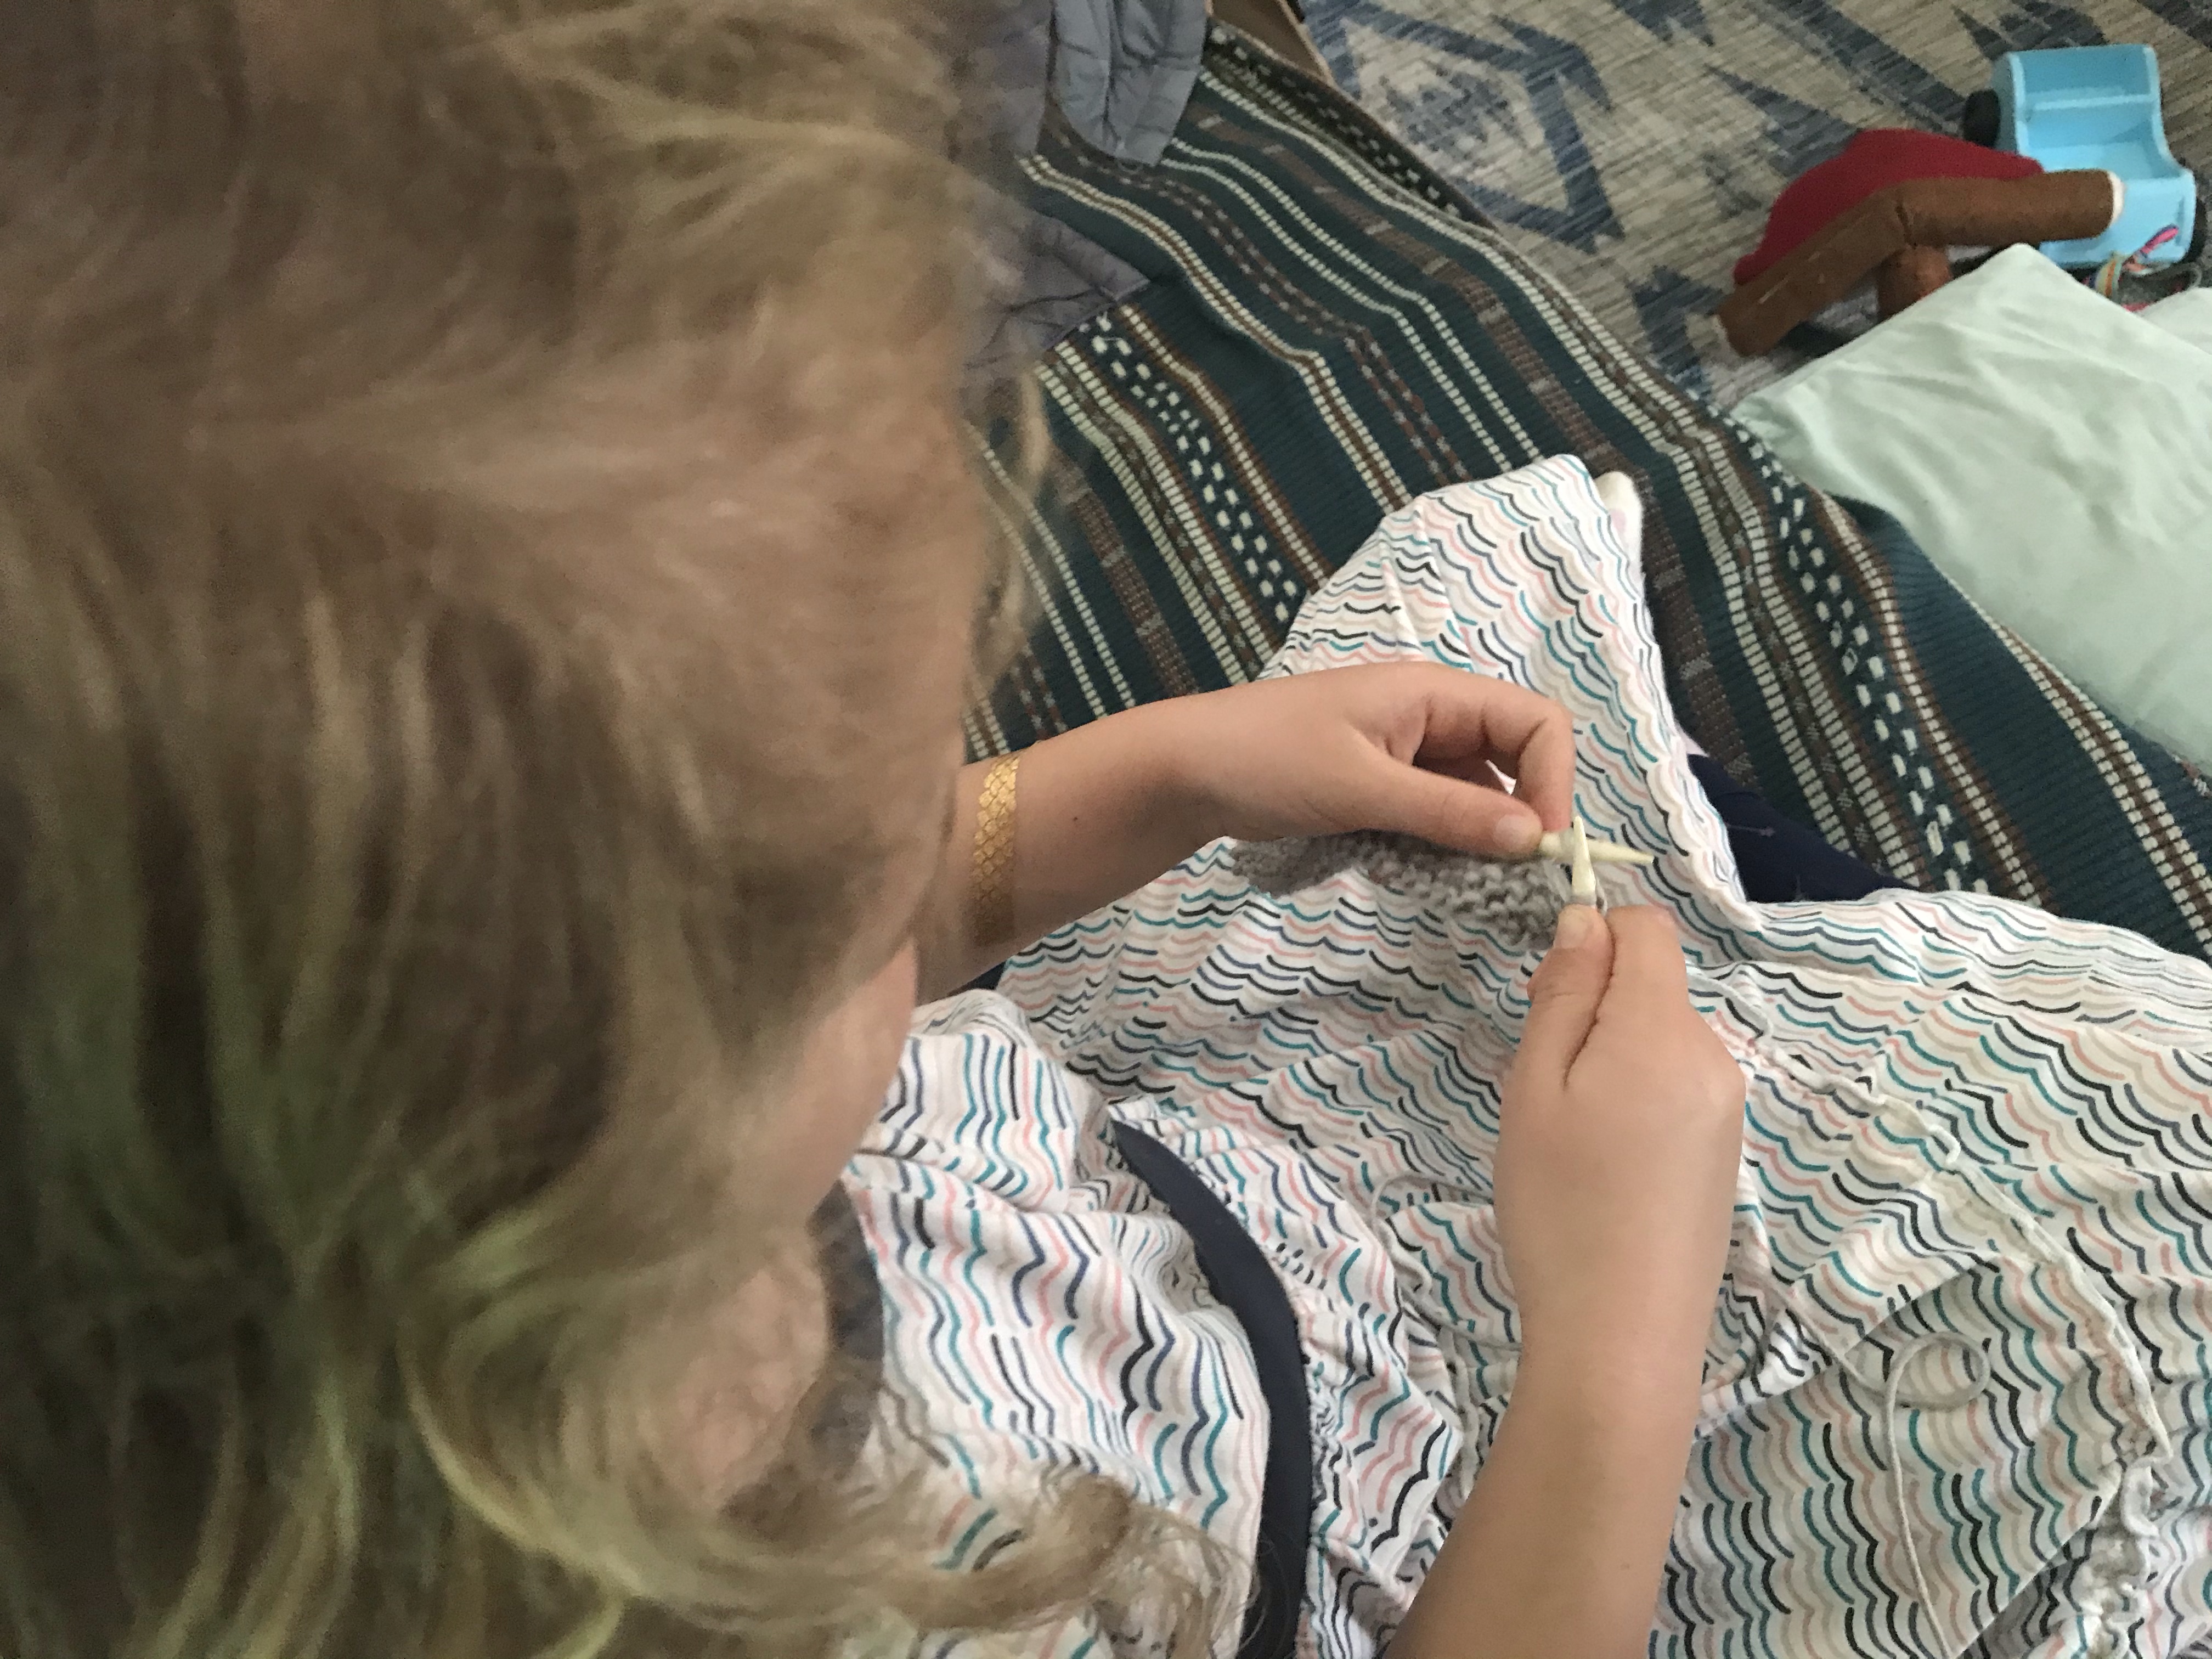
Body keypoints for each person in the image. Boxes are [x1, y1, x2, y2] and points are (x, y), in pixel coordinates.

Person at [6, 7, 2212, 1659]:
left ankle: (1766, 934)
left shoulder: (474, 1171)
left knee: (1471, 602)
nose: (953, 820)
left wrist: (1170, 775)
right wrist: (1615, 1341)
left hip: (1149, 1191)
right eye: (861, 894)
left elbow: (861, 931)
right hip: (1479, 1507)